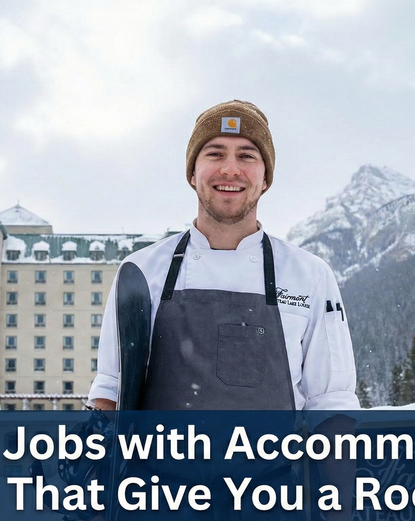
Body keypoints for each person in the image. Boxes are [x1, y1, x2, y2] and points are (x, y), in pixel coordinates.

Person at [87, 100, 358, 412]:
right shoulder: (140, 272)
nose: (230, 169)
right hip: (158, 461)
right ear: (192, 173)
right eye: (215, 153)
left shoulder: (310, 275)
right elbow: (111, 390)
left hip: (274, 462)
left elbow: (332, 406)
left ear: (266, 178)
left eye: (246, 156)